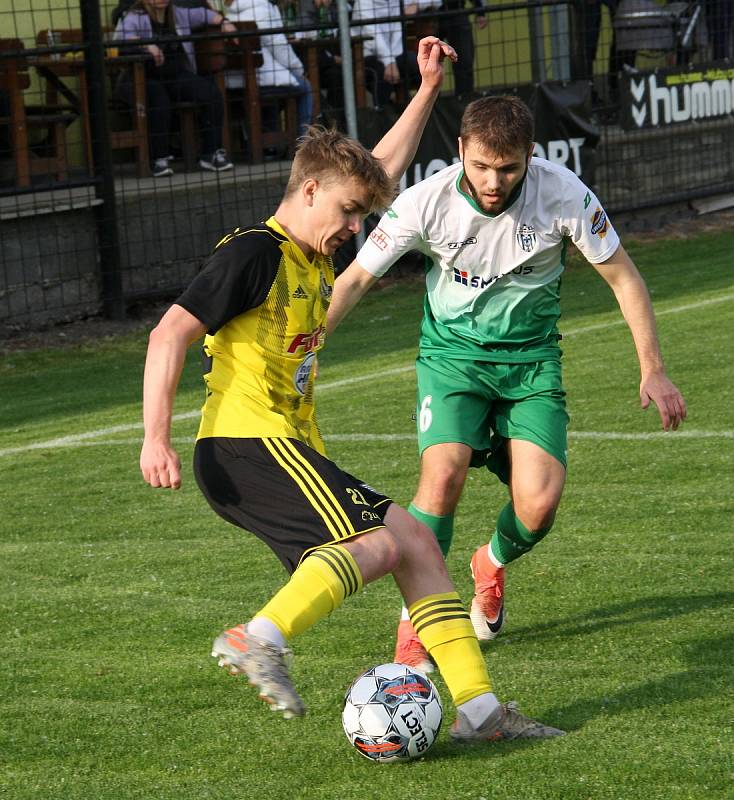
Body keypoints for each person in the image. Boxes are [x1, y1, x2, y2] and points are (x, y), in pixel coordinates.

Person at [140, 40, 564, 742]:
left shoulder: (310, 255)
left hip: (287, 449)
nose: (355, 228)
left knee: (417, 546)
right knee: (377, 547)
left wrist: (427, 90)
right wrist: (156, 437)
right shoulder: (256, 252)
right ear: (306, 193)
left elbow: (376, 173)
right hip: (248, 445)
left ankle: (483, 715)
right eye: (346, 212)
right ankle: (260, 637)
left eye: (361, 215)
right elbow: (167, 334)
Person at [327, 95, 687, 672]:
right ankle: (417, 627)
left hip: (531, 364)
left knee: (538, 508)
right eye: (482, 167)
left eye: (510, 168)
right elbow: (351, 283)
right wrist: (305, 353)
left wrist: (653, 366)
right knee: (440, 476)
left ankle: (489, 563)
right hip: (453, 360)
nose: (494, 182)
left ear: (531, 156)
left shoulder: (565, 195)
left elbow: (624, 278)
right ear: (462, 150)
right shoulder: (425, 202)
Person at [114, 0, 237, 176]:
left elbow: (205, 15)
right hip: (144, 77)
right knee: (159, 98)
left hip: (176, 75)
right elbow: (123, 39)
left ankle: (211, 153)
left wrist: (224, 22)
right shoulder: (135, 17)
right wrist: (146, 45)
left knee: (210, 93)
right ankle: (159, 159)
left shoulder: (178, 13)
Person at [223, 0, 314, 138]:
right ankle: (305, 143)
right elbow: (279, 48)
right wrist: (299, 70)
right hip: (260, 78)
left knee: (280, 85)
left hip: (232, 81)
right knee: (305, 86)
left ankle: (270, 139)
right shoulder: (262, 9)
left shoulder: (228, 15)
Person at [352, 0, 420, 107]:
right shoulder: (362, 3)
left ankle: (422, 111)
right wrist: (389, 62)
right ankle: (381, 116)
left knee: (418, 63)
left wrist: (417, 3)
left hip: (395, 53)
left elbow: (436, 2)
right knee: (380, 72)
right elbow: (373, 36)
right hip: (365, 54)